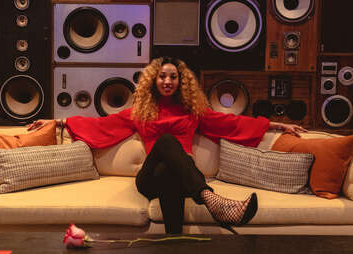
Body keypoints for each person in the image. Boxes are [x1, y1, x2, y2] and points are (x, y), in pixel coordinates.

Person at [28, 57, 307, 234]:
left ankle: (173, 242)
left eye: (173, 77)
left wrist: (279, 125)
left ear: (181, 81)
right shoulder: (140, 111)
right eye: (162, 76)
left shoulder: (193, 111)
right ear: (154, 80)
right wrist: (57, 122)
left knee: (169, 176)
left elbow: (231, 123)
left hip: (178, 178)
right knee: (166, 141)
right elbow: (101, 126)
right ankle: (211, 199)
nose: (167, 81)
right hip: (146, 180)